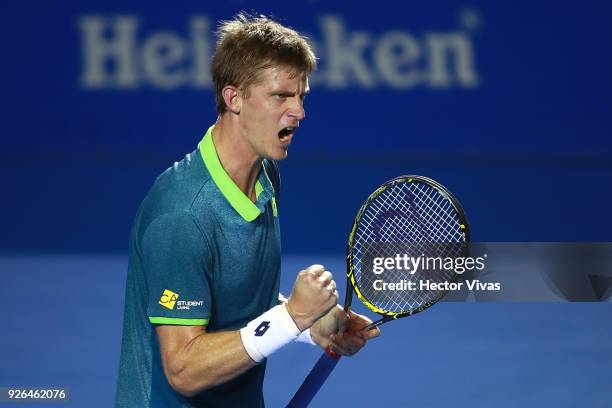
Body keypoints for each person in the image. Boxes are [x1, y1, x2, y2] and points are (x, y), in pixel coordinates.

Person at [115, 13, 379, 407]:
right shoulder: (182, 216)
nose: (299, 112)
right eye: (281, 96)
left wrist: (310, 325)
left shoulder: (265, 175)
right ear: (233, 97)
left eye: (301, 96)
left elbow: (230, 302)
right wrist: (290, 318)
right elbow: (183, 370)